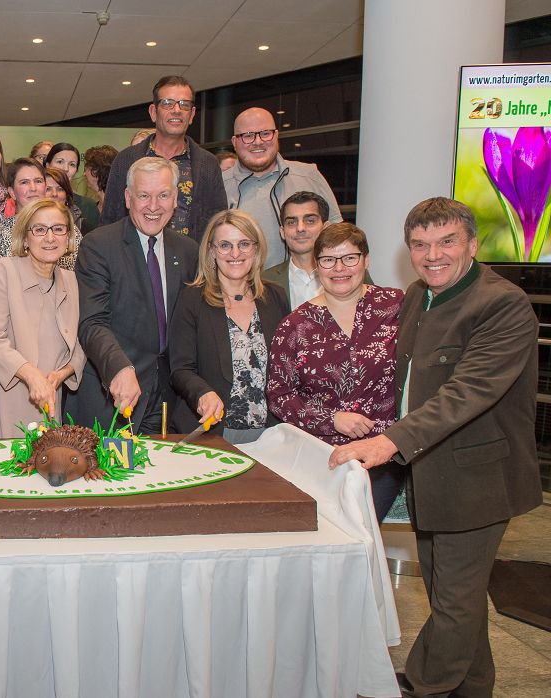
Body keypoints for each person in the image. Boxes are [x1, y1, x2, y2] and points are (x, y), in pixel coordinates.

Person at [329, 197, 542, 698]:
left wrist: (391, 441)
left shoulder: (502, 303)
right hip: (430, 474)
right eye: (420, 245)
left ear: (471, 243)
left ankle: (424, 687)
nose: (433, 255)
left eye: (446, 241)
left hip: (480, 478)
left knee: (454, 603)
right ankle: (473, 688)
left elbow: (467, 391)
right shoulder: (418, 296)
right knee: (453, 596)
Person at [267, 222, 404, 519]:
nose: (339, 268)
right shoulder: (295, 325)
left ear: (366, 260)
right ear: (317, 267)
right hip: (322, 457)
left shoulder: (395, 306)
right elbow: (278, 395)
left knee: (364, 534)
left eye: (350, 258)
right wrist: (332, 420)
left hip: (383, 455)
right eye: (328, 260)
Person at [68, 157, 199, 433]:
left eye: (163, 195)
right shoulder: (99, 246)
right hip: (111, 397)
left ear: (175, 199)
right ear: (128, 198)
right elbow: (92, 322)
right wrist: (119, 368)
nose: (153, 206)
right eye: (144, 196)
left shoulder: (188, 251)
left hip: (167, 401)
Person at [169, 209, 288, 444]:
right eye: (225, 245)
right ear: (212, 251)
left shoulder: (276, 297)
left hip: (272, 435)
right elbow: (181, 369)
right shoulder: (192, 299)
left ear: (256, 249)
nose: (235, 253)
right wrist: (203, 392)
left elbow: (289, 368)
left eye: (244, 244)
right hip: (215, 434)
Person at [0, 199, 86, 437]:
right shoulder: (3, 271)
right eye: (39, 229)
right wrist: (32, 375)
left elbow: (80, 344)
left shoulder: (72, 281)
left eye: (58, 229)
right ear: (25, 239)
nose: (50, 237)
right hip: (5, 398)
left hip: (49, 401)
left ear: (68, 238)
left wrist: (61, 374)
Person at [101, 76, 226, 241]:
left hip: (192, 263)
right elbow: (110, 218)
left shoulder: (208, 164)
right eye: (168, 103)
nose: (177, 110)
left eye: (184, 104)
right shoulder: (126, 160)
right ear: (154, 112)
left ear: (192, 115)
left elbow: (218, 221)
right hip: (134, 261)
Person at [223, 107, 342, 268]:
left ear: (276, 136)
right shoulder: (219, 184)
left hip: (306, 288)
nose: (258, 142)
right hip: (242, 291)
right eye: (248, 136)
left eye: (265, 133)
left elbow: (337, 236)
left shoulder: (309, 176)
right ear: (234, 142)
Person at [0, 158, 82, 272]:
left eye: (38, 181)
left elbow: (81, 275)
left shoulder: (66, 228)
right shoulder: (0, 231)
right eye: (24, 182)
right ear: (12, 192)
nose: (33, 188)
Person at [261, 191, 329, 309]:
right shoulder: (264, 282)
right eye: (292, 222)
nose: (300, 228)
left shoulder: (349, 274)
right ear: (282, 232)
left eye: (310, 221)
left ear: (326, 228)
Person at [44, 142, 96, 233]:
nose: (65, 169)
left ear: (76, 170)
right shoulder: (34, 202)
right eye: (60, 162)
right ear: (47, 165)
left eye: (72, 164)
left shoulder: (87, 206)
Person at [44, 166, 86, 233]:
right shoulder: (28, 222)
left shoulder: (82, 226)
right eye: (48, 189)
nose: (54, 194)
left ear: (67, 194)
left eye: (60, 189)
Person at [82, 144, 118, 216]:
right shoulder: (90, 210)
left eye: (86, 169)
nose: (84, 174)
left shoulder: (120, 211)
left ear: (96, 171)